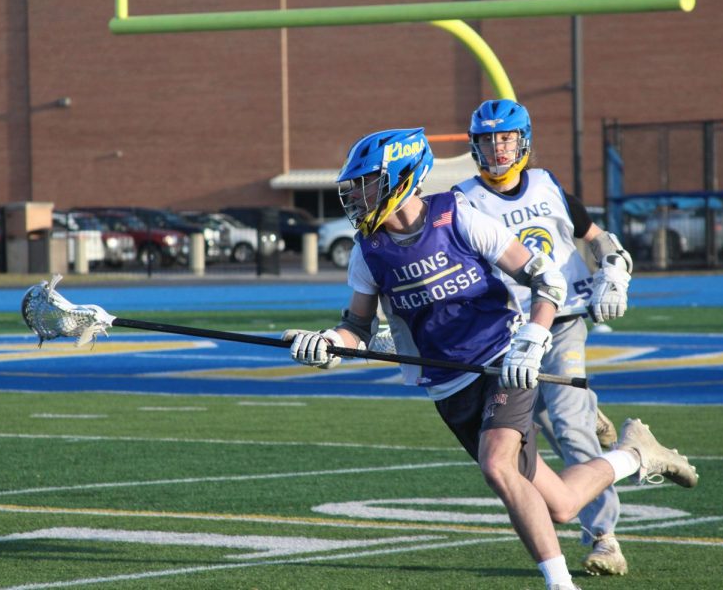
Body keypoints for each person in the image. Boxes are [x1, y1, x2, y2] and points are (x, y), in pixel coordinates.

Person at [284, 127, 697, 590]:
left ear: (401, 177)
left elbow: (547, 281)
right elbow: (357, 328)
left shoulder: (458, 215)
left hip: (504, 359)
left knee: (497, 465)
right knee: (560, 504)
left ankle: (561, 586)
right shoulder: (367, 251)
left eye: (367, 183)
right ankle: (636, 454)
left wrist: (534, 338)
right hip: (448, 384)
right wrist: (325, 344)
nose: (357, 196)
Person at [454, 98, 635, 576]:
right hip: (506, 335)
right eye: (488, 139)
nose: (497, 148)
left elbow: (597, 236)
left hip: (562, 321)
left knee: (571, 430)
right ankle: (586, 411)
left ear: (524, 140)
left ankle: (604, 537)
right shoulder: (463, 200)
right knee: (532, 434)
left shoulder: (547, 184)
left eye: (506, 137)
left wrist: (613, 271)